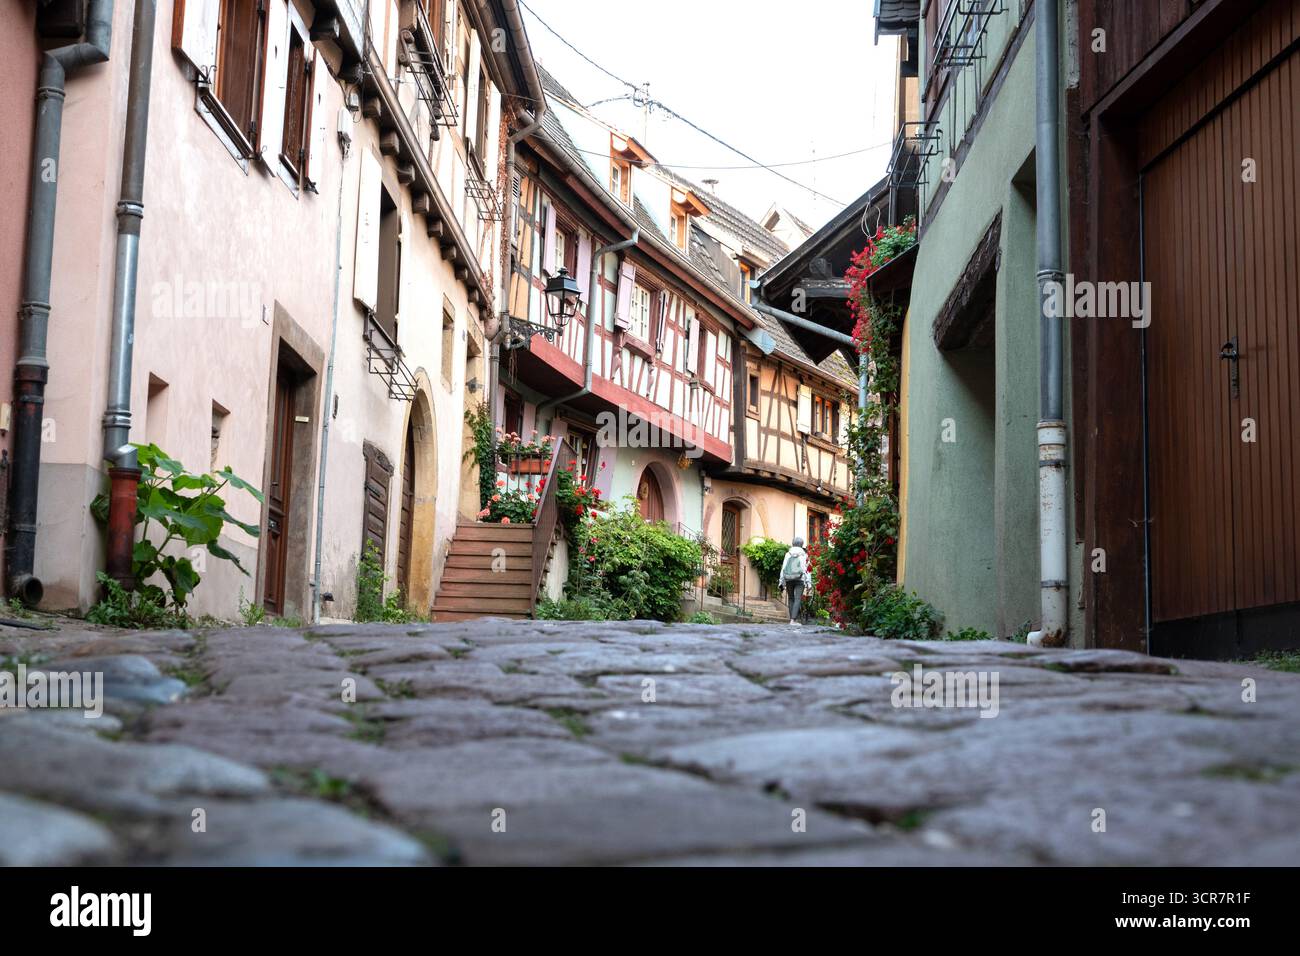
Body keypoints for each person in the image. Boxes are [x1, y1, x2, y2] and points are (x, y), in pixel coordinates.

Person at [779, 536, 812, 626]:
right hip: (800, 579)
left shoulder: (788, 554)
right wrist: (809, 583)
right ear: (802, 544)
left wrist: (781, 582)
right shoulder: (804, 555)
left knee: (790, 598)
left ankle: (791, 620)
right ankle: (793, 621)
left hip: (789, 578)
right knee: (797, 599)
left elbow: (783, 568)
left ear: (793, 544)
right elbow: (807, 570)